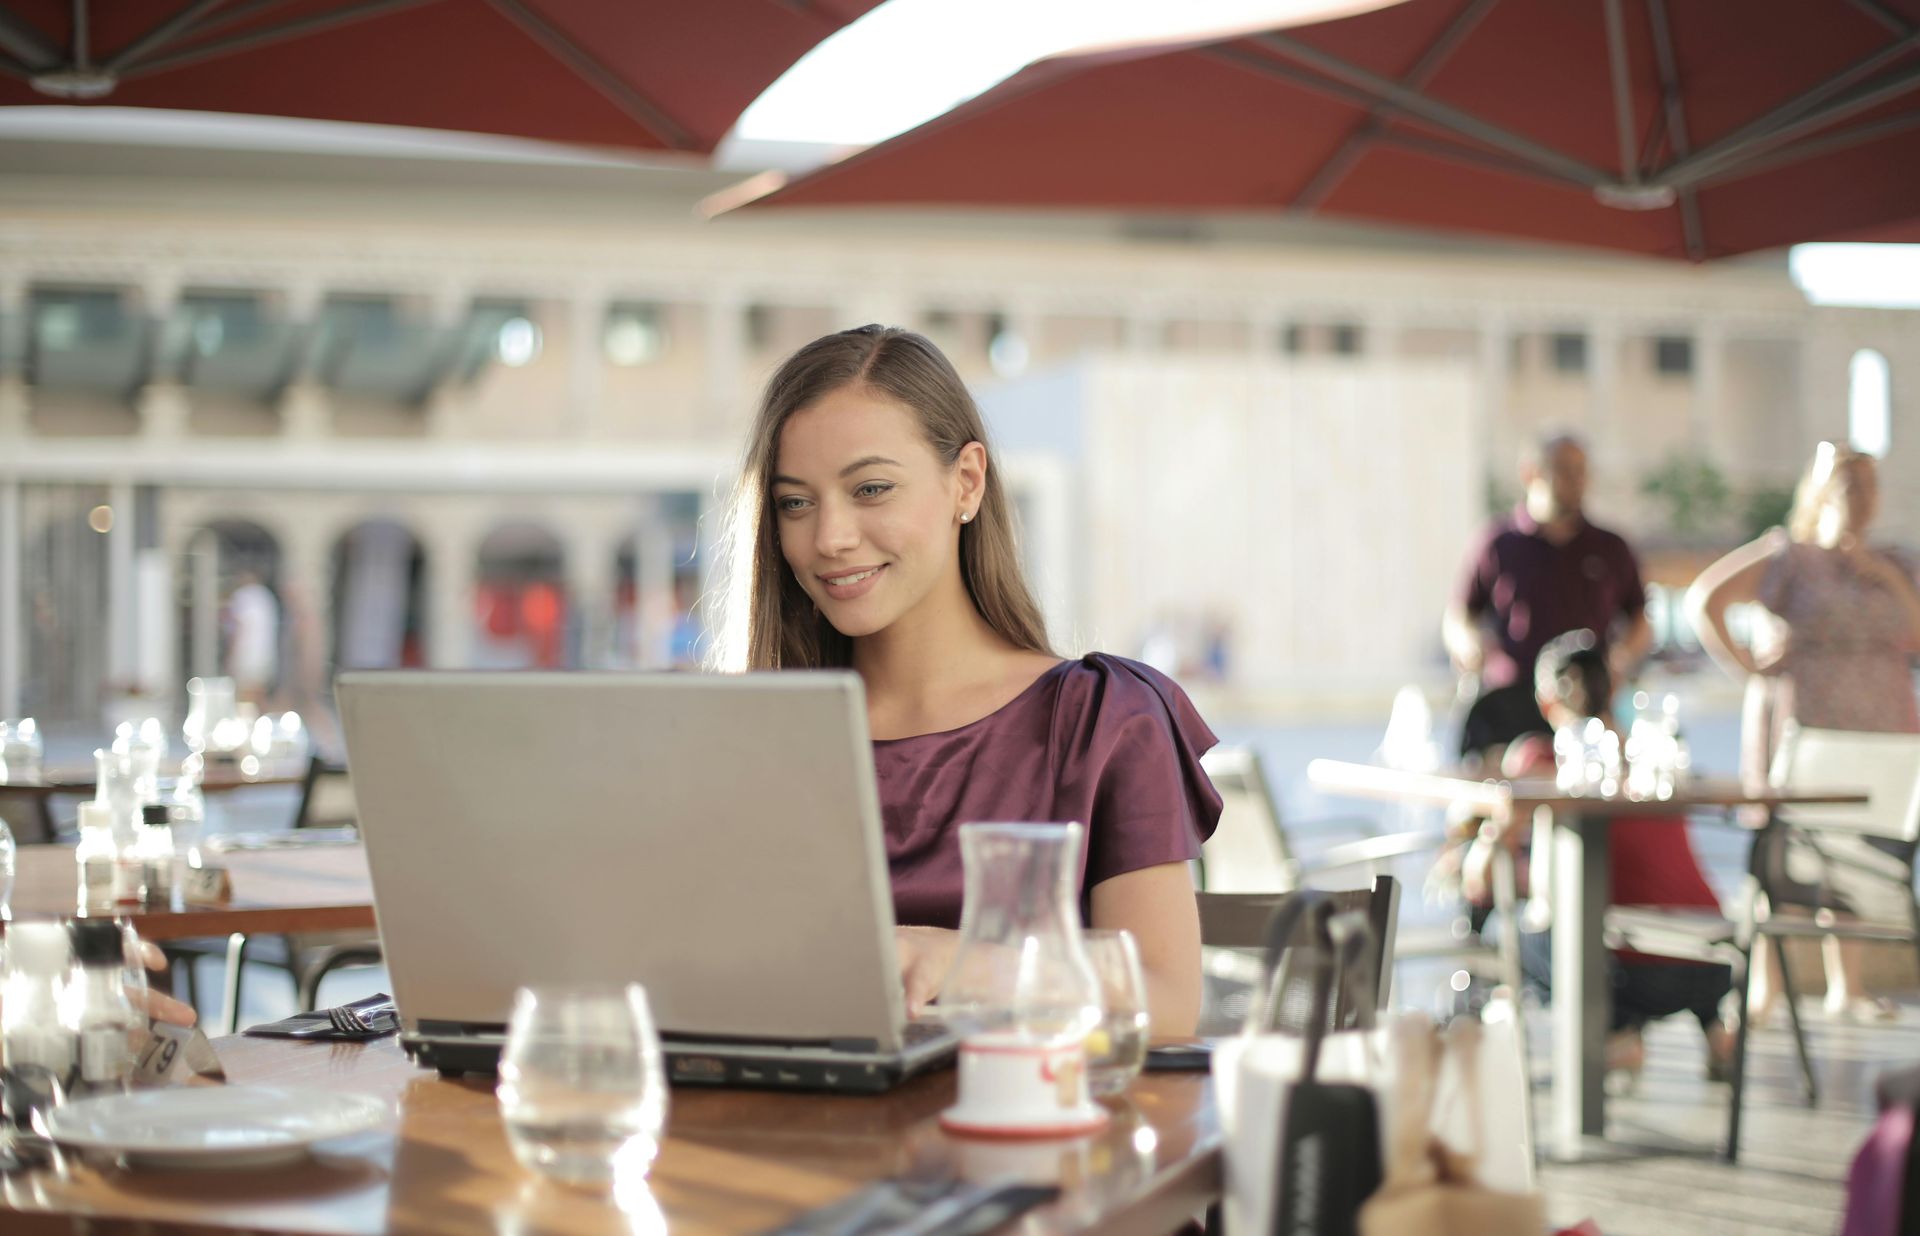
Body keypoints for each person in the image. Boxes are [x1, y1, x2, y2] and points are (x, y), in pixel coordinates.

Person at [715, 325, 1221, 1035]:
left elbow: (1169, 1001)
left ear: (967, 483)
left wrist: (969, 965)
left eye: (871, 489)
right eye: (796, 502)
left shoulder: (1103, 717)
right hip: (783, 1135)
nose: (829, 537)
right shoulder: (745, 737)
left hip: (1033, 1130)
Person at [1688, 442, 1920, 1022]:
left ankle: (1850, 986)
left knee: (1860, 851)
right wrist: (1747, 668)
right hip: (1805, 725)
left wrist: (1886, 580)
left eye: (1869, 486)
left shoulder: (1896, 561)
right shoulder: (1788, 555)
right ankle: (1763, 988)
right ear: (1820, 493)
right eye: (1848, 486)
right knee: (1784, 847)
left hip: (1878, 728)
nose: (1860, 498)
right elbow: (1705, 601)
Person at [1502, 630, 1735, 1081]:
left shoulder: (1545, 758)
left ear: (1547, 700)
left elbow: (1521, 872)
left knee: (1527, 934)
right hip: (1718, 959)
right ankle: (1715, 1030)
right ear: (1614, 689)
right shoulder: (1653, 752)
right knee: (1659, 900)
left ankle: (1614, 1034)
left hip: (1637, 972)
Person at [1443, 433, 1652, 766]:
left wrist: (1621, 657)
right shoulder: (1498, 543)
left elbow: (1641, 618)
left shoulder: (1611, 547)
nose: (1576, 481)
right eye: (1565, 470)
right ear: (1531, 473)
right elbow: (1460, 615)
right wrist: (1468, 645)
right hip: (1510, 703)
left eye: (1581, 471)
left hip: (1585, 705)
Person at [222, 570, 280, 709]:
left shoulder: (243, 596)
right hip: (265, 656)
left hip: (246, 657)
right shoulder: (266, 596)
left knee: (245, 700)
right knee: (259, 696)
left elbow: (239, 629)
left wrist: (231, 656)